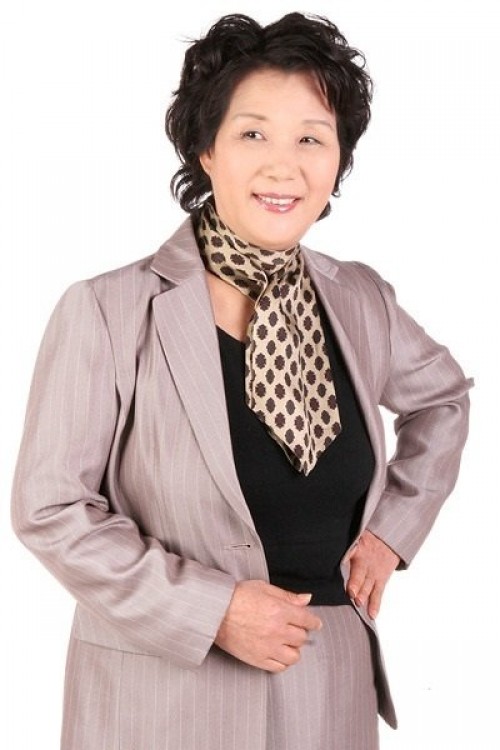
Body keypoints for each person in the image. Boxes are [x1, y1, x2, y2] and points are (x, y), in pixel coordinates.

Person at [11, 12, 472, 750]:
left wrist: (394, 531)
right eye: (254, 133)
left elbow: (443, 399)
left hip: (328, 692)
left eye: (311, 139)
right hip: (161, 707)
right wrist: (212, 610)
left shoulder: (360, 300)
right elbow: (51, 508)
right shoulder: (109, 310)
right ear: (207, 149)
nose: (284, 167)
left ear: (338, 160)